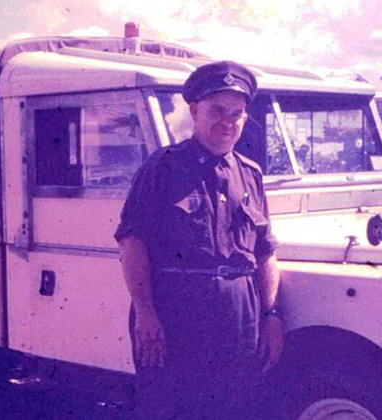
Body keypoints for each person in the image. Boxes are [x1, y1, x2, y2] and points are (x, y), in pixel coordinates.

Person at [115, 61, 283, 419]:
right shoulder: (163, 167)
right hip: (176, 315)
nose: (227, 121)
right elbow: (132, 243)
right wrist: (145, 313)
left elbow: (265, 251)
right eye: (217, 110)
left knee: (236, 408)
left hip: (240, 319)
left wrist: (270, 316)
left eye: (236, 114)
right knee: (170, 408)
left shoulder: (250, 175)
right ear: (194, 111)